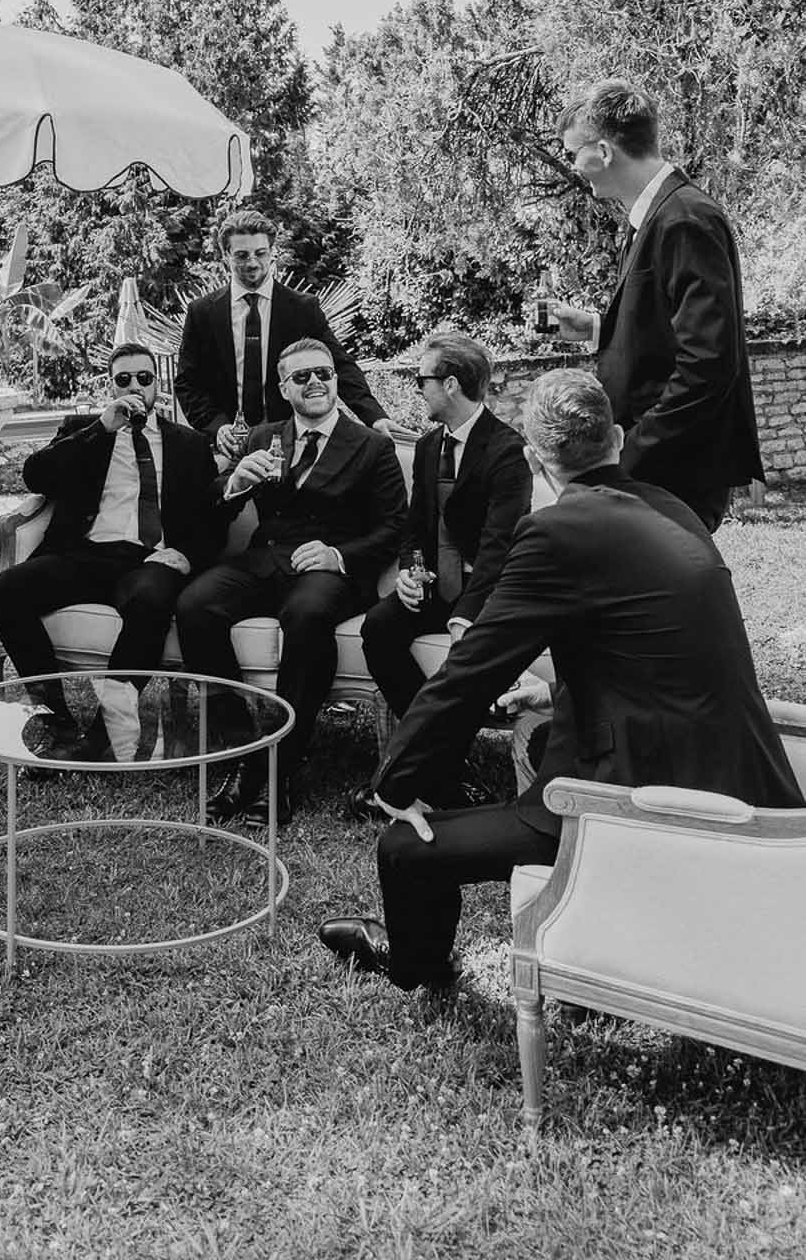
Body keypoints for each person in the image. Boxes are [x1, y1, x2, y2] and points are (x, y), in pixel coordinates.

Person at [317, 368, 802, 993]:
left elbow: (470, 671)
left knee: (404, 849)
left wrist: (397, 779)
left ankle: (419, 971)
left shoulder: (555, 531)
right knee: (542, 744)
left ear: (532, 459)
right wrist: (551, 692)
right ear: (619, 439)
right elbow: (655, 650)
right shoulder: (672, 509)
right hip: (743, 773)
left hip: (641, 798)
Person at [175, 339, 407, 825]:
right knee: (196, 604)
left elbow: (393, 528)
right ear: (284, 388)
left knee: (306, 616)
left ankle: (279, 770)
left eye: (323, 372)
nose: (316, 382)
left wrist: (337, 555)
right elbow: (213, 508)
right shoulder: (265, 437)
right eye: (302, 377)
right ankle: (245, 748)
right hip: (268, 558)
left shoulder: (371, 445)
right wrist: (236, 481)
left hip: (331, 569)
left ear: (336, 380)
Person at [0, 342, 223, 758]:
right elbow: (35, 475)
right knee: (8, 589)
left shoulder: (188, 443)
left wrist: (188, 555)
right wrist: (100, 429)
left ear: (158, 385)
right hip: (85, 554)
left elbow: (212, 516)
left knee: (150, 600)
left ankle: (105, 733)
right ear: (111, 386)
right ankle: (56, 723)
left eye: (144, 378)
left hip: (149, 560)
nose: (135, 386)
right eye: (124, 379)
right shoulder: (85, 429)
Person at [549, 78, 762, 531]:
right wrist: (596, 328)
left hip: (674, 470)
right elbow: (665, 334)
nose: (574, 167)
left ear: (604, 152)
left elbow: (707, 365)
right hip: (658, 469)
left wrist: (628, 452)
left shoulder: (684, 219)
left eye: (575, 153)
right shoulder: (652, 217)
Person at [359, 333, 531, 723]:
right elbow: (416, 526)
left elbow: (498, 547)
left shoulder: (507, 451)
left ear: (450, 384)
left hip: (486, 592)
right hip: (435, 586)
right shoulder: (428, 446)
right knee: (379, 627)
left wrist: (466, 617)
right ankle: (433, 741)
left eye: (422, 381)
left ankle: (432, 750)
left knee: (468, 655)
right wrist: (409, 571)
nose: (419, 390)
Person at [175, 210, 391, 461]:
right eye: (242, 255)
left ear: (271, 252)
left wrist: (375, 416)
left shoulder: (302, 308)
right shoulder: (202, 313)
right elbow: (187, 382)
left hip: (290, 445)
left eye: (260, 253)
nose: (253, 263)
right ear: (225, 256)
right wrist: (217, 426)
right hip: (227, 448)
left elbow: (339, 365)